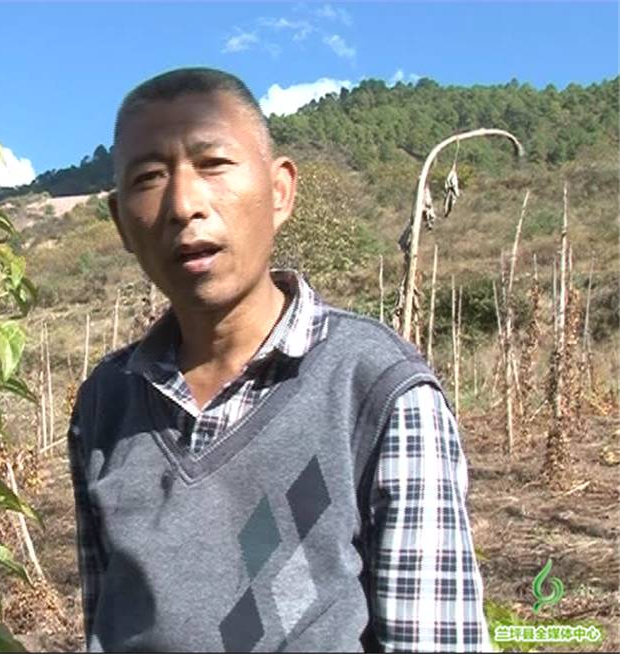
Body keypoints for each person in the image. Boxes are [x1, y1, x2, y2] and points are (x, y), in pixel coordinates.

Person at [66, 67, 490, 652]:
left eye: (213, 164)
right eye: (149, 177)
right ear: (120, 222)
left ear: (281, 190)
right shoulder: (105, 402)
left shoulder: (375, 389)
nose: (184, 203)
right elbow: (104, 621)